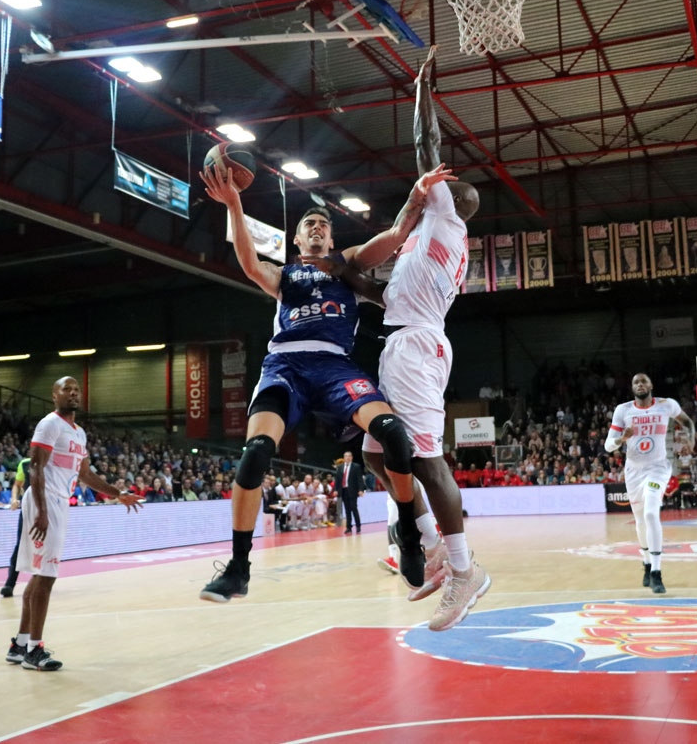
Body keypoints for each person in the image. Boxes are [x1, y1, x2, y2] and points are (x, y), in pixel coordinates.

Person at [196, 150, 450, 603]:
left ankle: (409, 538)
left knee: (394, 434)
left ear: (332, 238)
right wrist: (234, 205)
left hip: (335, 366)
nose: (317, 227)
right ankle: (238, 568)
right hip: (286, 366)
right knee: (255, 453)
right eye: (309, 225)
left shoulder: (347, 264)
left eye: (324, 225)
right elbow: (250, 262)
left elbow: (394, 236)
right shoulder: (284, 274)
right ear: (297, 240)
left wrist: (415, 198)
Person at [328, 47, 490, 630]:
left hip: (416, 348)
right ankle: (430, 540)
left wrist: (421, 89)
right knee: (376, 453)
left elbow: (428, 149)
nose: (428, 191)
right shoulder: (429, 249)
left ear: (451, 195)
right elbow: (378, 293)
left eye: (440, 187)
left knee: (425, 461)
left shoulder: (446, 216)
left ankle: (466, 568)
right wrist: (338, 269)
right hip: (407, 339)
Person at [7, 377, 144, 671]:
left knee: (39, 574)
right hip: (46, 501)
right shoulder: (49, 424)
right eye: (66, 389)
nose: (73, 393)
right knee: (46, 576)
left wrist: (118, 494)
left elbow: (86, 475)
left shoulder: (78, 433)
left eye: (76, 390)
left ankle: (20, 644)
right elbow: (35, 467)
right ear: (53, 395)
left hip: (59, 502)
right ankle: (34, 650)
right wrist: (42, 511)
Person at [604, 373, 694, 593]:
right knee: (640, 520)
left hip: (657, 468)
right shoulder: (623, 411)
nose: (640, 384)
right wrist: (621, 439)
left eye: (644, 381)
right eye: (636, 382)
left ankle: (656, 572)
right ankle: (646, 563)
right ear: (632, 387)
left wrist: (690, 440)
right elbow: (608, 446)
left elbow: (687, 421)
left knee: (651, 513)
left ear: (651, 385)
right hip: (634, 471)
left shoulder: (666, 405)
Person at [0, 453, 31, 597]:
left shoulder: (53, 463)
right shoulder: (25, 464)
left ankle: (39, 582)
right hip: (28, 509)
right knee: (20, 546)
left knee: (43, 547)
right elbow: (17, 485)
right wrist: (14, 499)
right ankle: (9, 584)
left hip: (48, 510)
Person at [336, 451, 363, 534]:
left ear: (351, 457)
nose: (347, 458)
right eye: (346, 456)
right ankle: (349, 527)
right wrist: (336, 490)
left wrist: (361, 489)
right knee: (347, 510)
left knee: (353, 508)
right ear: (344, 458)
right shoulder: (340, 467)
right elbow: (338, 480)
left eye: (349, 456)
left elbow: (359, 479)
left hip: (353, 490)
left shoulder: (356, 466)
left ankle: (358, 526)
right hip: (344, 490)